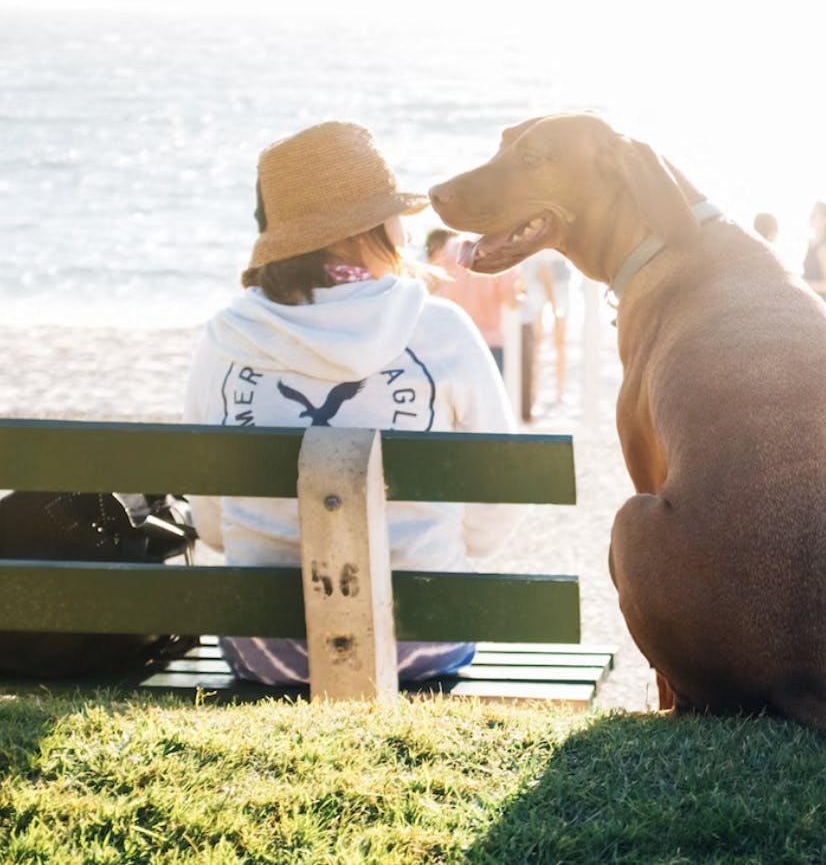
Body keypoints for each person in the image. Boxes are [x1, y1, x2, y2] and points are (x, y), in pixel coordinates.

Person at [183, 121, 522, 686]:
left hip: (266, 646)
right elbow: (500, 499)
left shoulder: (227, 336)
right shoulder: (438, 327)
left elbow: (212, 527)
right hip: (424, 636)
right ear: (378, 226)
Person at [426, 228, 521, 374]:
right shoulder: (500, 250)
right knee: (490, 396)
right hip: (489, 344)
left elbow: (433, 287)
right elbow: (512, 302)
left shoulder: (451, 248)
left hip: (454, 342)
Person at [516, 248, 571, 423]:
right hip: (541, 284)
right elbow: (543, 271)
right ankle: (546, 392)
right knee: (543, 342)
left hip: (551, 284)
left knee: (552, 342)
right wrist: (554, 305)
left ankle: (554, 392)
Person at [802, 201, 826, 305]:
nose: (812, 216)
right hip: (810, 300)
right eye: (812, 213)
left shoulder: (824, 247)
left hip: (820, 304)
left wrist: (803, 284)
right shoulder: (812, 243)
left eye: (816, 214)